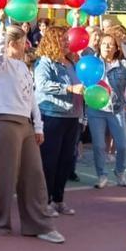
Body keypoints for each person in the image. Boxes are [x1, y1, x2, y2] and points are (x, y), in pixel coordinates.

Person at [0, 22, 64, 244]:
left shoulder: (23, 67)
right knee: (7, 174)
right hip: (5, 120)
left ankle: (38, 224)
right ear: (12, 44)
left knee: (34, 173)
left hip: (25, 123)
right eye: (22, 42)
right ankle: (1, 222)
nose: (25, 46)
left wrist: (38, 126)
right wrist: (1, 28)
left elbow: (31, 98)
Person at [33, 25, 83, 215]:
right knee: (49, 160)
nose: (67, 42)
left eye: (67, 39)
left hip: (72, 117)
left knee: (65, 160)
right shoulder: (45, 62)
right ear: (54, 41)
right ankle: (43, 201)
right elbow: (43, 85)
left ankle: (59, 199)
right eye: (63, 39)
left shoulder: (71, 62)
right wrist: (68, 89)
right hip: (52, 116)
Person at [87, 32, 126, 188]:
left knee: (122, 145)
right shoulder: (93, 62)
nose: (107, 46)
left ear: (116, 48)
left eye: (110, 44)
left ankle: (120, 172)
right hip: (95, 109)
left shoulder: (124, 65)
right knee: (99, 145)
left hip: (117, 109)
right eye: (104, 43)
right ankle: (101, 175)